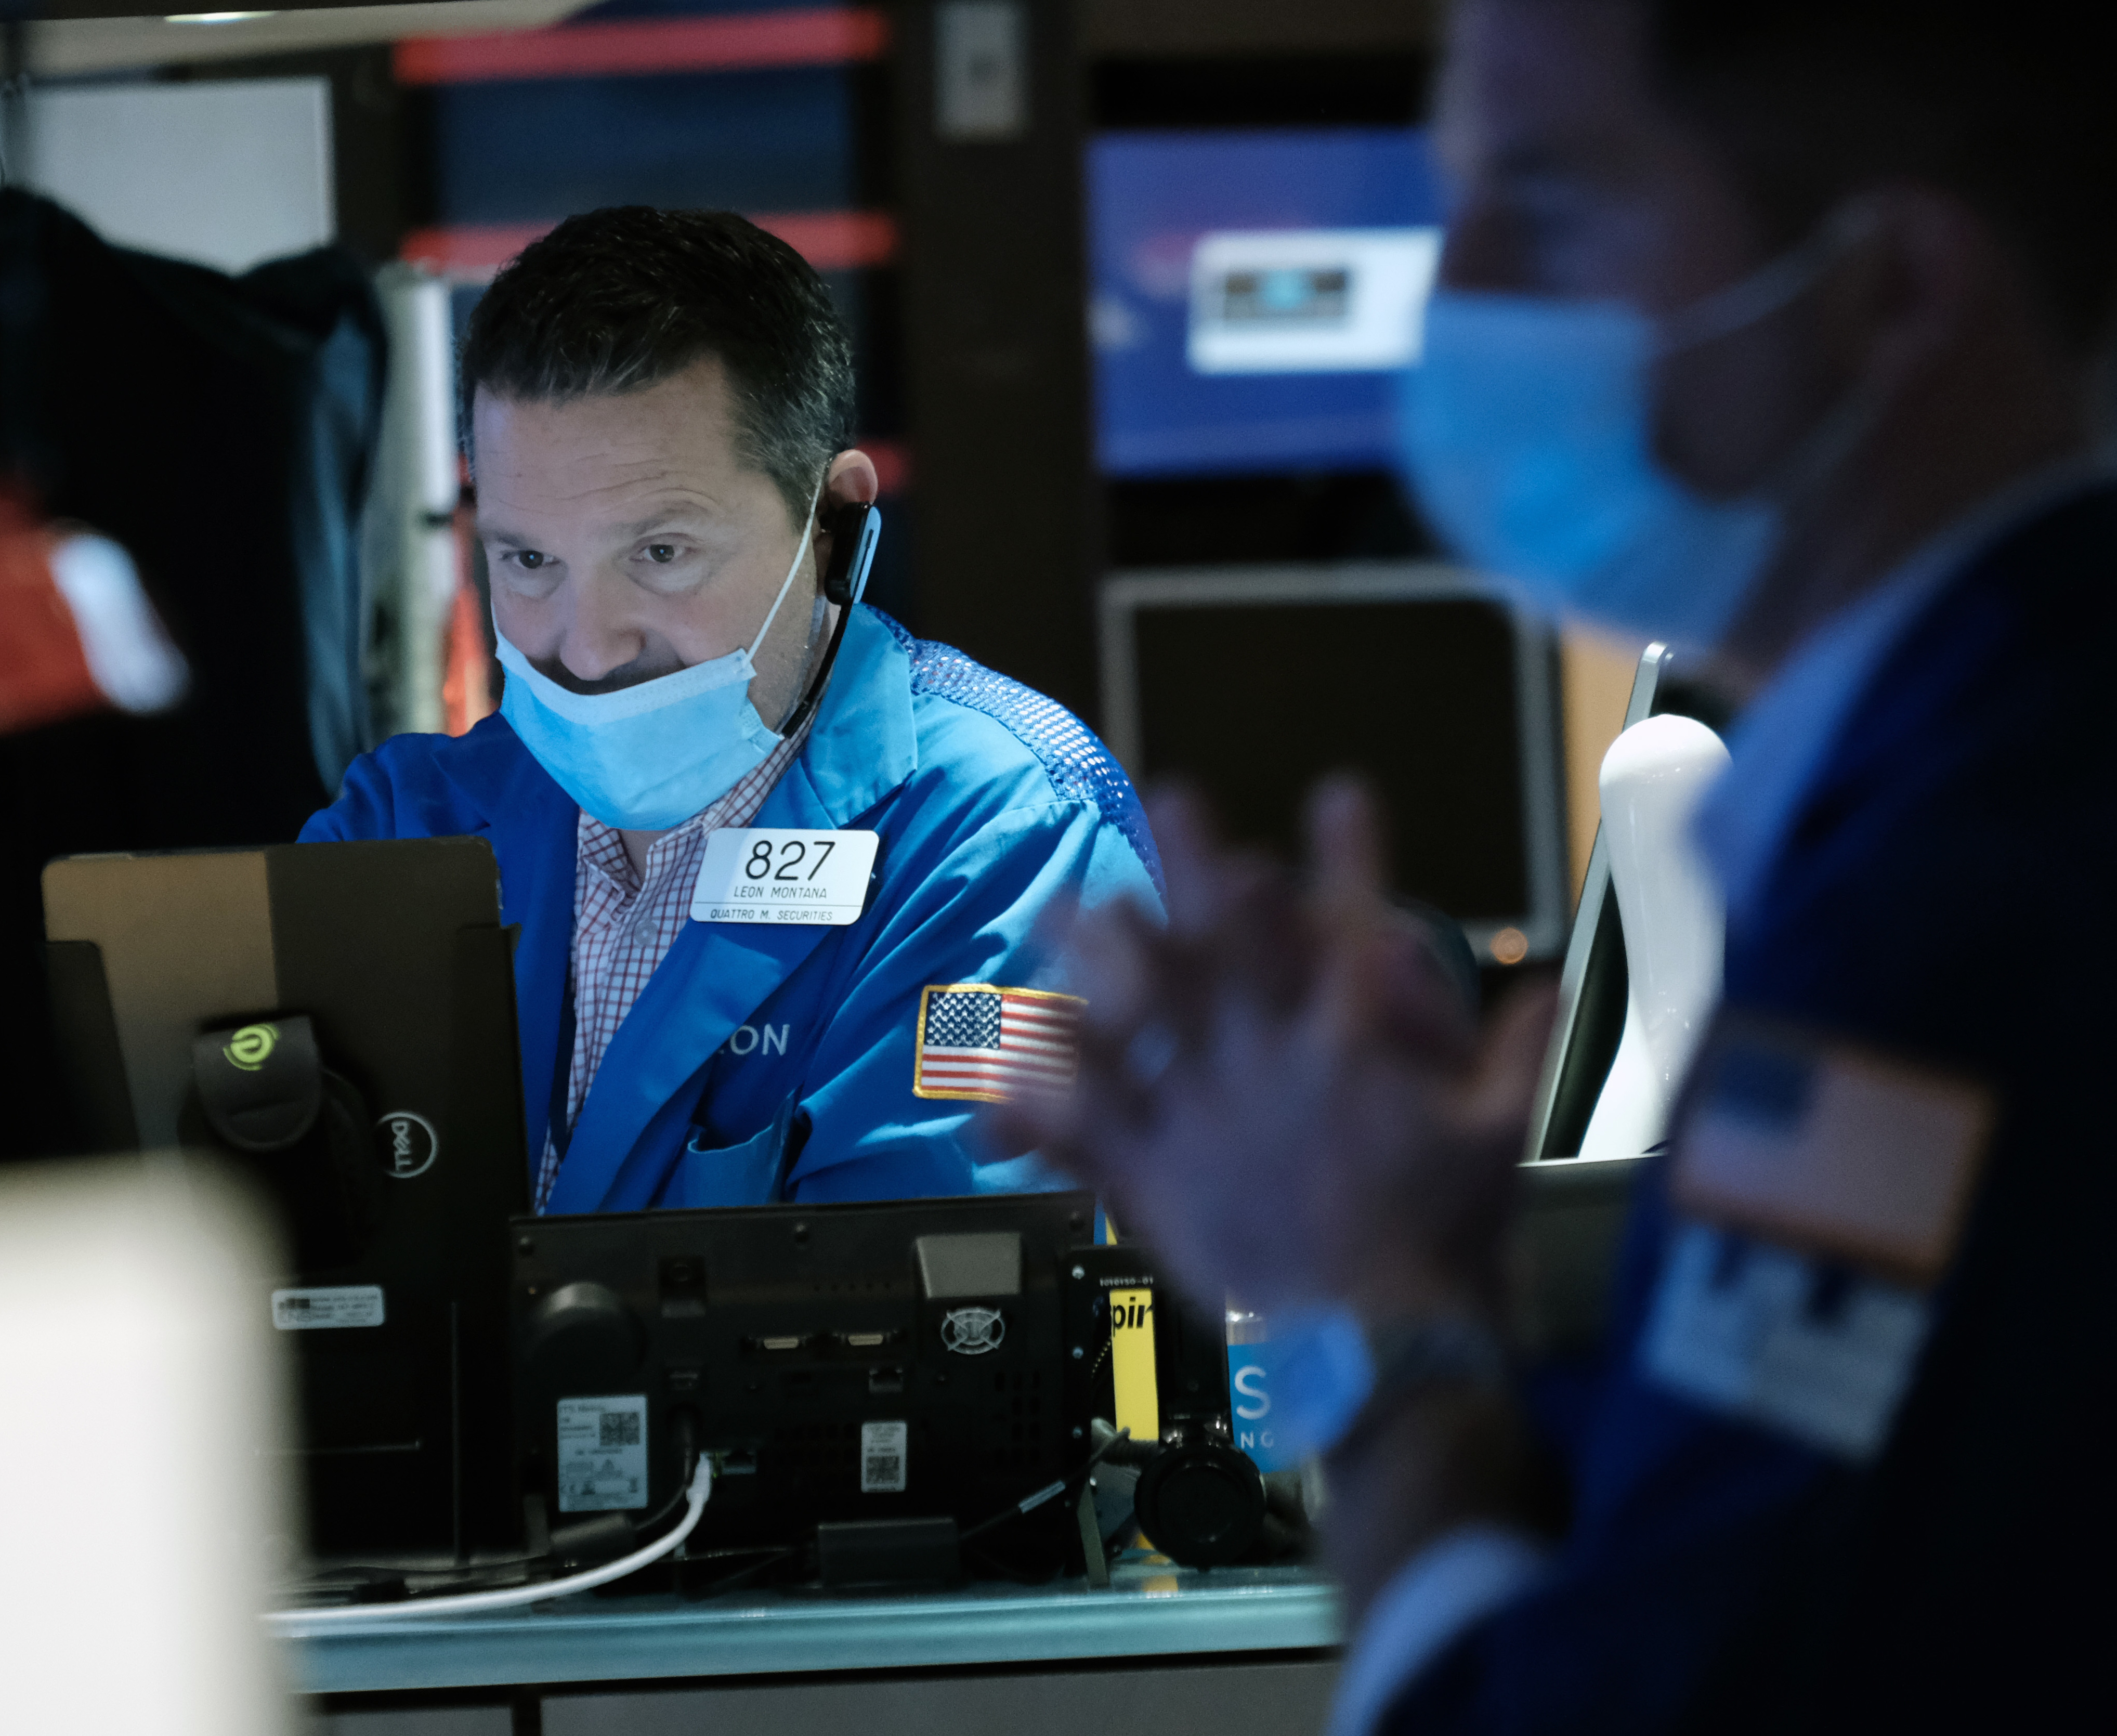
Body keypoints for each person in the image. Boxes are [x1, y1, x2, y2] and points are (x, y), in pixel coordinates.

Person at [1002, 1, 2117, 1729]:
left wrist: (1349, 1299)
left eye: (1550, 201)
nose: (1460, 288)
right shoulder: (1953, 784)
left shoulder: (1955, 894)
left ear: (1887, 292)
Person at [307, 207, 1161, 1215]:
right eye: (529, 559)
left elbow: (947, 1318)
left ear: (834, 521)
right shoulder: (409, 823)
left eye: (661, 553)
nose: (588, 647)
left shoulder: (1001, 838)